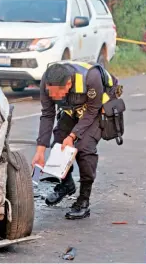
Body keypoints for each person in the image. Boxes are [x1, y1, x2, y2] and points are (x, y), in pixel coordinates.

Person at [31, 61, 118, 220]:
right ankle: (67, 184)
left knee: (84, 148)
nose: (54, 97)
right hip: (74, 109)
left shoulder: (91, 77)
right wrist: (40, 151)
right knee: (58, 144)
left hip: (96, 109)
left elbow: (92, 110)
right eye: (51, 93)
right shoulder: (47, 81)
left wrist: (72, 136)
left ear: (69, 84)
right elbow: (47, 115)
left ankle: (83, 201)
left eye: (58, 93)